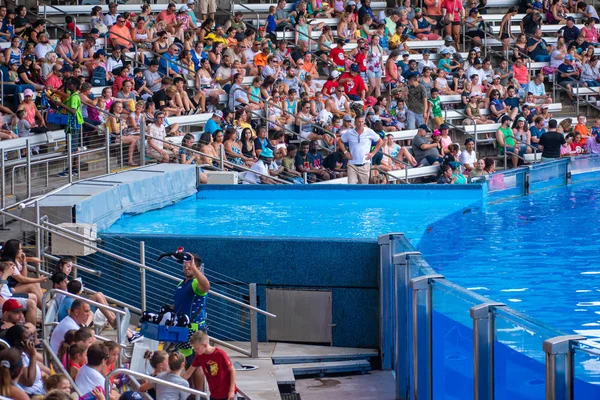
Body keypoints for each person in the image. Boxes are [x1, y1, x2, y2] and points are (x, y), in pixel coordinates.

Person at [183, 331, 237, 400]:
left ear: (205, 345)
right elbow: (188, 373)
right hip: (214, 394)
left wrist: (231, 391)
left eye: (197, 348)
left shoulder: (220, 354)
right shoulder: (199, 356)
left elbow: (232, 371)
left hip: (226, 393)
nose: (195, 351)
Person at [337, 116, 384, 184]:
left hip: (365, 165)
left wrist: (372, 153)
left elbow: (380, 141)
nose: (361, 124)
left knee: (363, 189)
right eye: (359, 122)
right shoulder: (349, 132)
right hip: (352, 165)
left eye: (362, 122)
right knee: (351, 187)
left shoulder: (369, 131)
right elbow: (340, 141)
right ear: (355, 123)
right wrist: (345, 152)